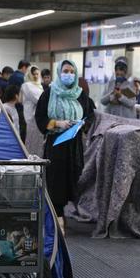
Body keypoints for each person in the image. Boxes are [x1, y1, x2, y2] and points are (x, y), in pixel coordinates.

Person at [35, 60, 96, 233]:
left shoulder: (80, 94)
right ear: (59, 72)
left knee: (72, 178)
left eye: (71, 71)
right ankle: (57, 217)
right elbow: (40, 117)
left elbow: (90, 115)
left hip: (74, 144)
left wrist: (82, 124)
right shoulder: (49, 93)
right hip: (56, 144)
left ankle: (65, 212)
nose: (68, 74)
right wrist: (57, 123)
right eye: (65, 71)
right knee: (55, 180)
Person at [20, 66, 45, 157]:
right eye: (33, 74)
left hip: (39, 117)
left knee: (39, 141)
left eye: (37, 74)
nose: (36, 76)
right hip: (32, 118)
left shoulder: (39, 85)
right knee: (32, 140)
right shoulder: (27, 85)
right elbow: (38, 99)